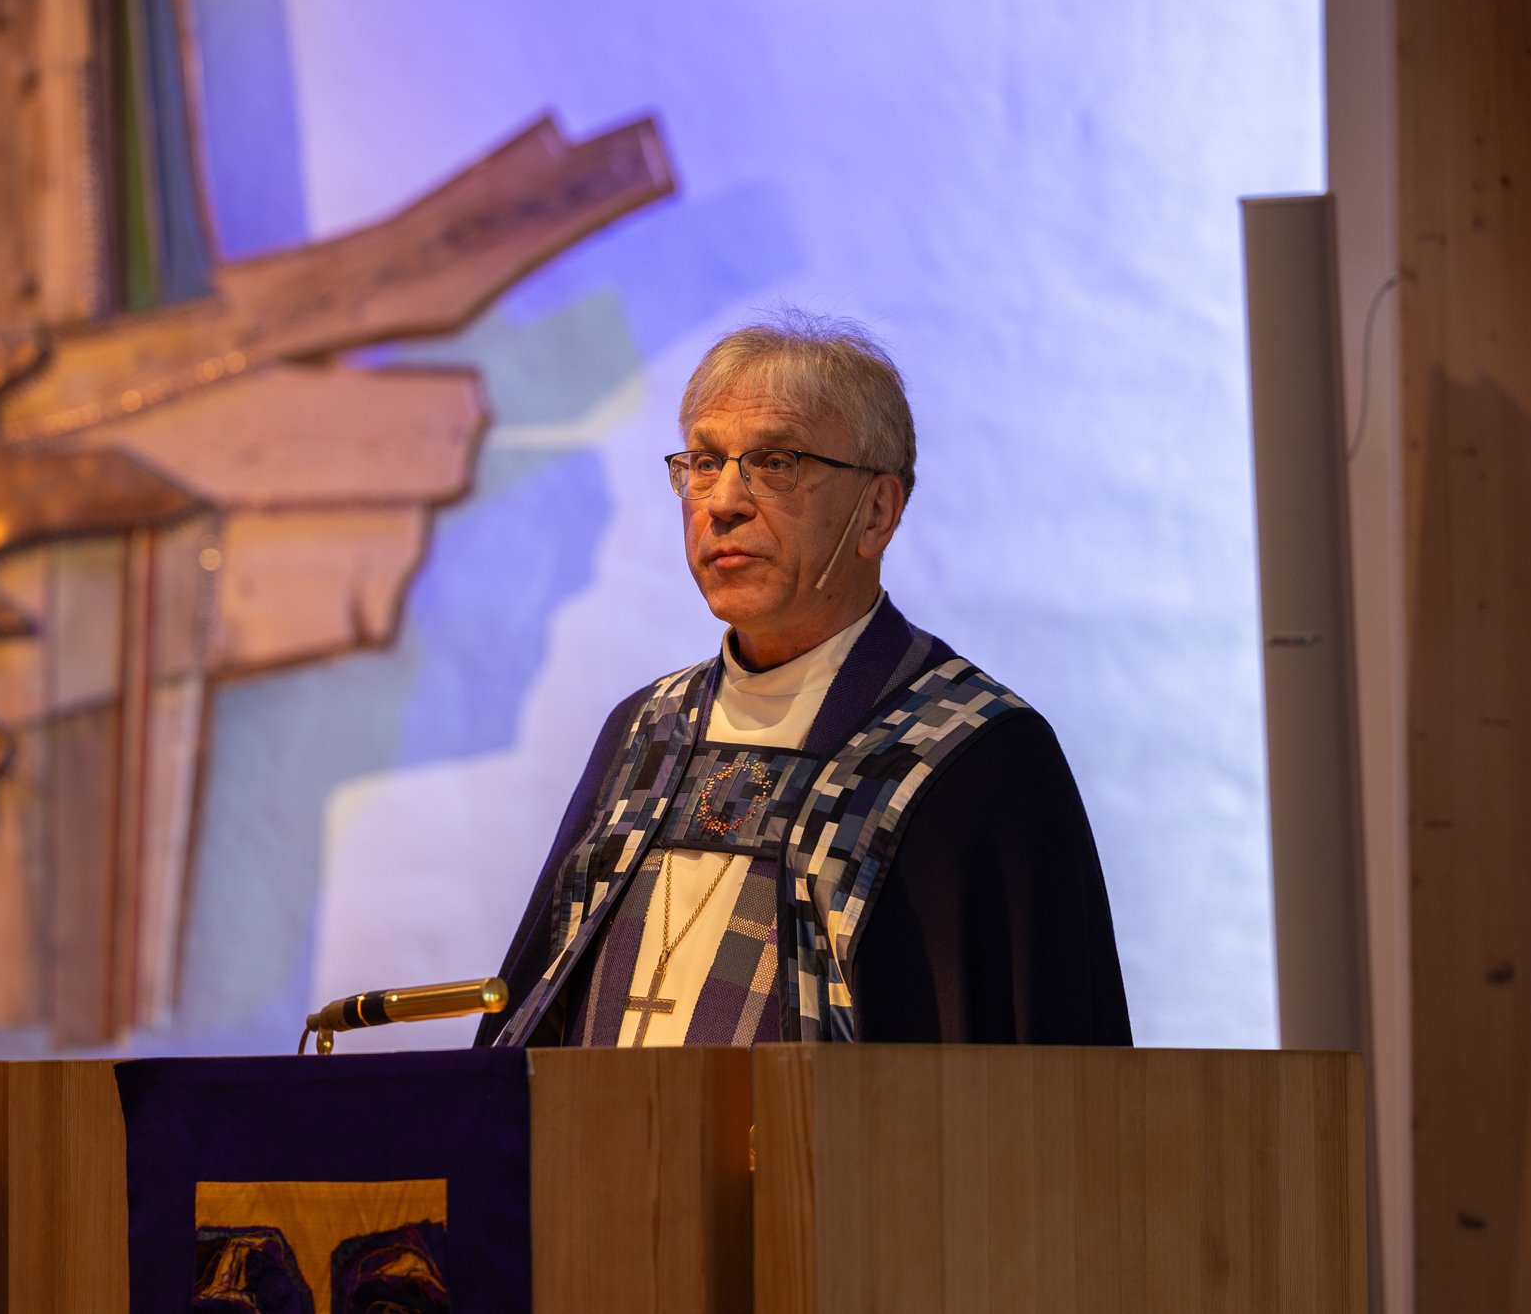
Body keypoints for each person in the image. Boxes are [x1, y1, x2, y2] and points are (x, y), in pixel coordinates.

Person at [477, 311, 1131, 1048]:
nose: (723, 501)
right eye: (703, 462)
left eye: (775, 462)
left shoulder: (976, 753)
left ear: (876, 511)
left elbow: (1049, 1083)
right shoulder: (644, 732)